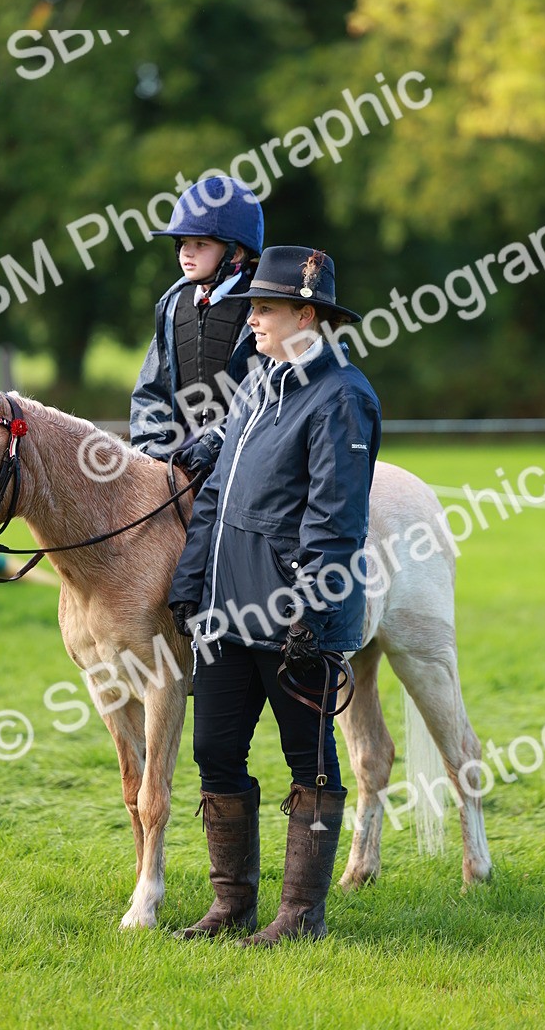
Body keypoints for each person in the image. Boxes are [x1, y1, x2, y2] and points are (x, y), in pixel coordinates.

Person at [168, 245, 382, 946]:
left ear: (307, 313)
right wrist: (191, 586)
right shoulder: (259, 380)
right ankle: (232, 906)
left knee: (310, 762)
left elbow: (335, 523)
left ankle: (300, 917)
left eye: (263, 307)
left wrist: (309, 616)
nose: (249, 319)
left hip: (296, 623)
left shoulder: (343, 396)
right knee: (216, 754)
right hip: (226, 619)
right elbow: (218, 500)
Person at [129, 175, 263, 474]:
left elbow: (266, 389)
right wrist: (152, 443)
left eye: (201, 244)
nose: (187, 253)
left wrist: (217, 440)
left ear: (236, 252)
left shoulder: (261, 308)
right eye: (183, 243)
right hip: (186, 453)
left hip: (249, 452)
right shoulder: (173, 305)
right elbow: (152, 390)